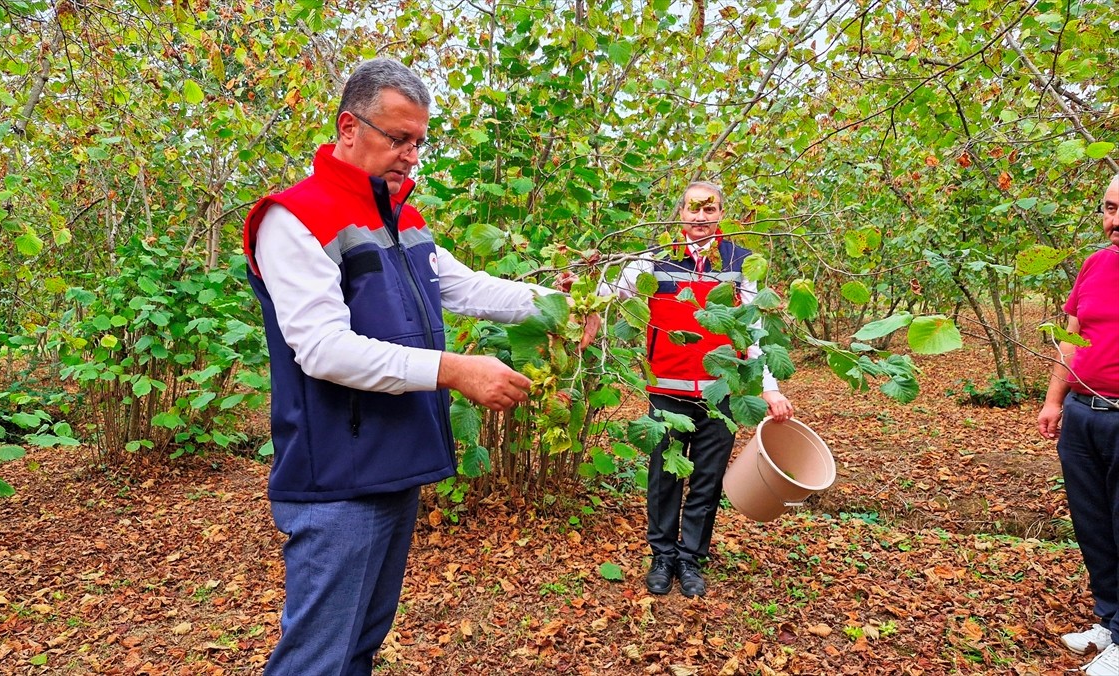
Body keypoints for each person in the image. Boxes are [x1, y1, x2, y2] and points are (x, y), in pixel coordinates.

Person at [242, 58, 596, 675]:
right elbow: (322, 348)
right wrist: (453, 369)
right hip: (337, 477)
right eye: (399, 138)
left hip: (395, 460)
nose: (411, 156)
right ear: (349, 127)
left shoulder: (401, 215)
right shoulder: (294, 217)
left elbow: (463, 286)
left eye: (419, 142)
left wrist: (563, 305)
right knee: (317, 659)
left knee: (360, 644)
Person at [599, 181, 793, 598]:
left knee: (707, 479)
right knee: (665, 477)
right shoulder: (654, 259)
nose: (701, 217)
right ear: (681, 213)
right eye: (693, 209)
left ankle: (690, 559)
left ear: (721, 213)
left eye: (710, 209)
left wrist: (769, 388)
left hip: (722, 393)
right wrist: (575, 289)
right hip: (667, 391)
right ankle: (662, 556)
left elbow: (754, 329)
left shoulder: (741, 262)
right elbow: (608, 295)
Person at [1039, 173, 1119, 676]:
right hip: (1083, 415)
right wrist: (1054, 400)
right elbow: (1072, 337)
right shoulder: (1095, 264)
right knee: (1094, 527)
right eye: (1110, 208)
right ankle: (1110, 620)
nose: (1116, 221)